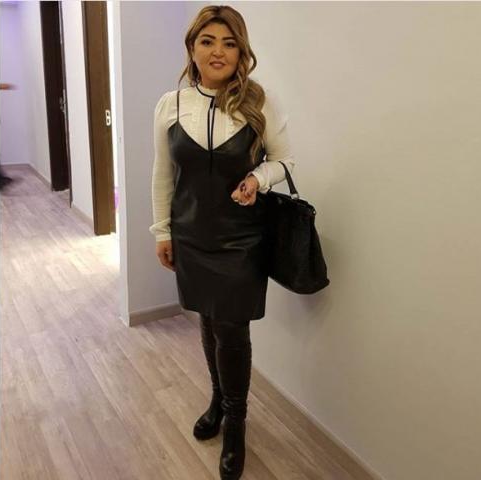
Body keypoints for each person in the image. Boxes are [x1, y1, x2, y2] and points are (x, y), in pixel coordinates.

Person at [149, 5, 295, 479]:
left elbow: (285, 160)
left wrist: (258, 178)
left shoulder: (259, 101)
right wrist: (162, 231)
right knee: (209, 319)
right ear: (192, 48)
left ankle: (235, 423)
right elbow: (162, 175)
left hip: (241, 241)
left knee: (232, 329)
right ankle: (217, 399)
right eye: (208, 41)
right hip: (191, 236)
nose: (218, 52)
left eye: (229, 43)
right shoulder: (170, 104)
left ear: (241, 51)